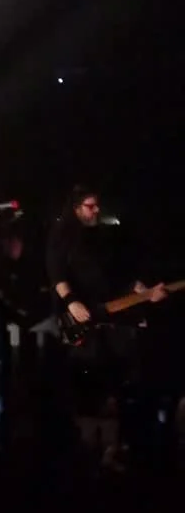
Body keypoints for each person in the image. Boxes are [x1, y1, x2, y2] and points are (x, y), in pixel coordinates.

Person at [46, 184, 167, 441]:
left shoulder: (101, 236)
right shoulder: (62, 236)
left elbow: (114, 273)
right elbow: (57, 274)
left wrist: (140, 289)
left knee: (123, 369)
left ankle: (123, 436)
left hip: (106, 313)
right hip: (79, 320)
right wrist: (71, 301)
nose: (96, 211)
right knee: (87, 378)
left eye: (97, 206)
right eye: (90, 206)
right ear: (77, 209)